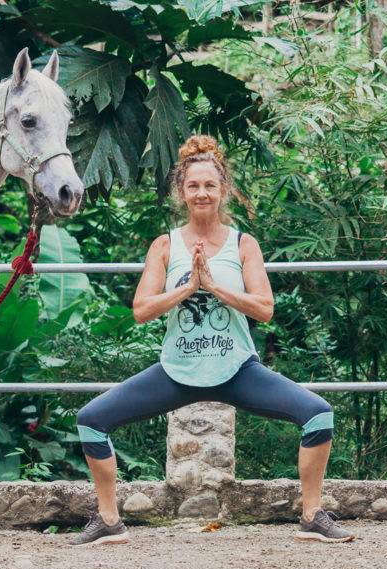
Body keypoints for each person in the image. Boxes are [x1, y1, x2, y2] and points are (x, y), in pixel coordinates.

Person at [68, 135, 355, 546]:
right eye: (193, 186)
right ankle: (109, 522)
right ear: (181, 193)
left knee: (319, 415)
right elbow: (141, 309)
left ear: (223, 190)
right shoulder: (165, 245)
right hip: (177, 371)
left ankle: (311, 517)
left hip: (236, 369)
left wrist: (216, 287)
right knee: (91, 421)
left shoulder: (244, 244)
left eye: (210, 185)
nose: (202, 193)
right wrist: (186, 288)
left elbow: (265, 308)